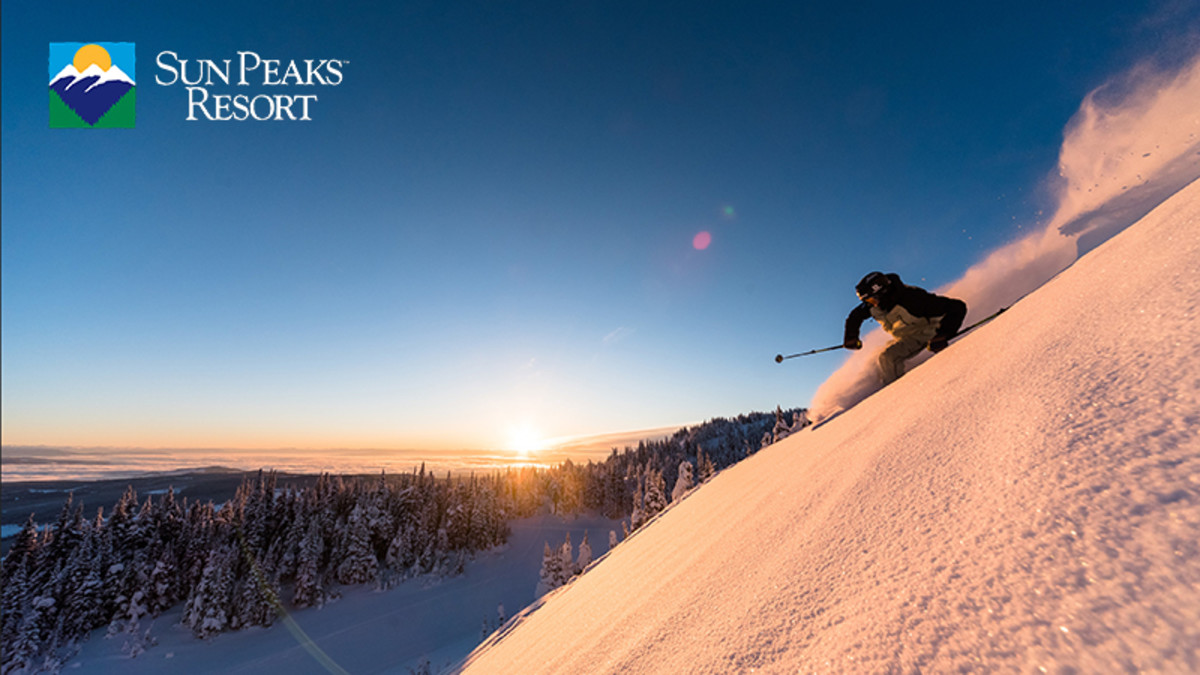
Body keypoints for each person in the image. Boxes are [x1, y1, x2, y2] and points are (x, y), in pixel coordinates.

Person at [843, 271, 967, 385]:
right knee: (876, 360)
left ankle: (896, 397)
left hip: (929, 332)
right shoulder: (874, 306)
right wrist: (851, 337)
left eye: (871, 299)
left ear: (883, 292)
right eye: (867, 301)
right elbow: (855, 317)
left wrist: (943, 334)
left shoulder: (912, 299)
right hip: (907, 337)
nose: (870, 304)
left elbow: (957, 307)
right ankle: (882, 387)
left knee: (888, 357)